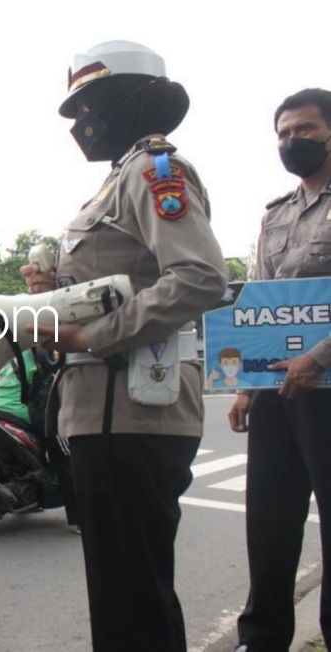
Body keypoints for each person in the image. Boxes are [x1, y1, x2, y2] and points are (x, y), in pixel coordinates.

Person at [21, 41, 227, 651]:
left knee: (132, 596)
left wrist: (93, 334)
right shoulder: (118, 180)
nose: (81, 124)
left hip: (133, 408)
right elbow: (119, 283)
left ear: (129, 101)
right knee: (126, 593)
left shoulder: (152, 170)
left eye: (90, 105)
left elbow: (199, 276)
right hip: (107, 409)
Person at [229, 88, 331, 652]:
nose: (293, 142)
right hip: (274, 389)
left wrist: (317, 360)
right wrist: (246, 386)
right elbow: (258, 301)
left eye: (306, 130)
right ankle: (261, 637)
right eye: (285, 134)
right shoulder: (276, 215)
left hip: (328, 385)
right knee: (268, 519)